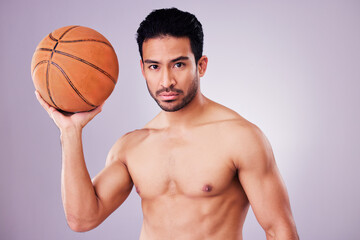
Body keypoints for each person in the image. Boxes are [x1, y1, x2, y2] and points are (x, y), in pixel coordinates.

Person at [35, 7, 299, 240]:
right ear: (142, 69)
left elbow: (279, 230)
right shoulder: (132, 146)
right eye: (154, 67)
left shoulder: (240, 137)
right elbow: (82, 219)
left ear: (201, 65)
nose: (166, 81)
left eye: (179, 65)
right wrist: (70, 132)